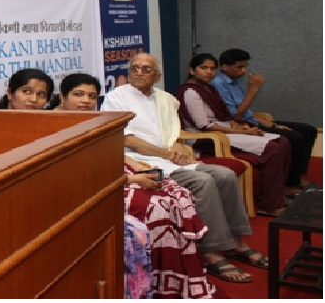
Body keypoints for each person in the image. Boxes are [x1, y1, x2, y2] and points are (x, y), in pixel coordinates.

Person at [102, 53, 266, 284]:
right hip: (141, 162)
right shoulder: (117, 97)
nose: (139, 72)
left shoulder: (165, 98)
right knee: (203, 181)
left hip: (171, 158)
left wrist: (178, 146)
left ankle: (237, 243)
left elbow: (173, 133)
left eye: (146, 69)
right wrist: (168, 153)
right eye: (135, 68)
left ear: (157, 76)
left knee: (226, 175)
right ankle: (211, 252)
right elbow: (127, 140)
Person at [55, 73, 219, 297]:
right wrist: (131, 179)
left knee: (176, 197)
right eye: (78, 94)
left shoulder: (93, 120)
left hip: (113, 173)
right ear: (63, 97)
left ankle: (169, 277)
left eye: (91, 96)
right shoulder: (54, 126)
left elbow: (112, 150)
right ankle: (151, 282)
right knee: (157, 208)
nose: (86, 101)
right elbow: (74, 174)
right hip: (91, 186)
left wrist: (136, 167)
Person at [177, 54, 292, 216]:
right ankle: (271, 205)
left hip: (224, 131)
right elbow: (205, 126)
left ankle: (273, 195)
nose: (209, 72)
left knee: (283, 141)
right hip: (207, 139)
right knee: (272, 149)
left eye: (212, 68)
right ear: (192, 70)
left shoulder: (209, 88)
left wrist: (239, 126)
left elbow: (224, 117)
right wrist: (243, 132)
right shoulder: (190, 92)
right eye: (204, 68)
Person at [210, 48, 316, 193]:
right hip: (242, 126)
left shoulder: (235, 81)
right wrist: (253, 90)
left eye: (245, 66)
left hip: (252, 120)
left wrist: (274, 125)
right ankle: (290, 184)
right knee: (295, 138)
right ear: (225, 67)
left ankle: (296, 176)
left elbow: (247, 112)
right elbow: (236, 116)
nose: (244, 71)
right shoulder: (218, 84)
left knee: (309, 130)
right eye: (239, 67)